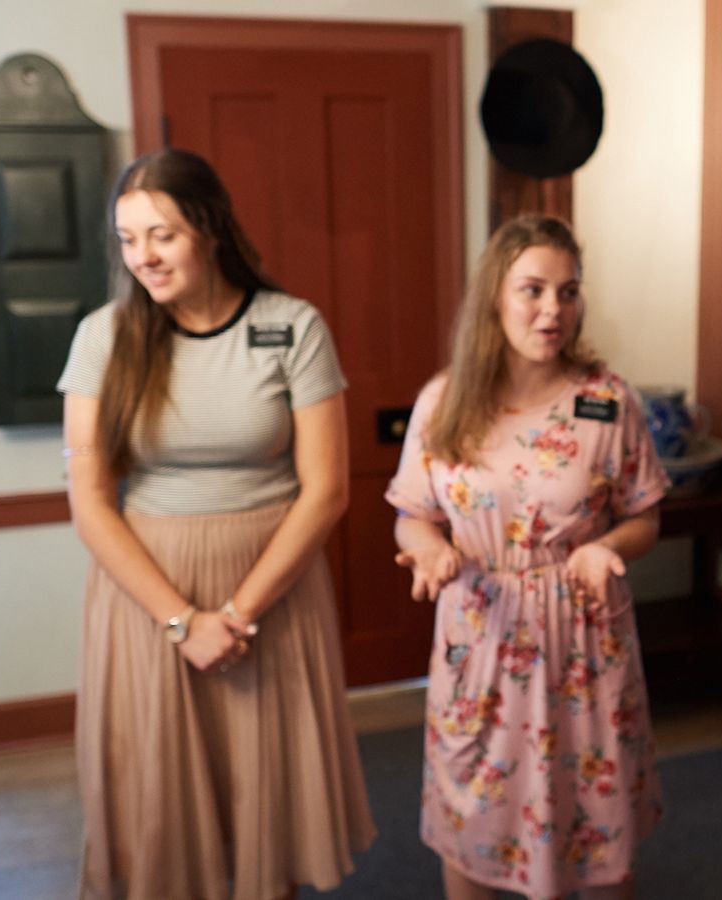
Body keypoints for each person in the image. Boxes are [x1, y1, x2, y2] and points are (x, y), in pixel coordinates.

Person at [59, 147, 377, 900]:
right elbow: (91, 503)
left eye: (161, 234)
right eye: (128, 239)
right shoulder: (104, 338)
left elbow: (326, 490)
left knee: (272, 794)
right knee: (159, 803)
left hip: (270, 593)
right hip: (147, 598)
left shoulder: (292, 327)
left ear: (208, 226)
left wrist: (234, 615)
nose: (143, 256)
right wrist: (182, 622)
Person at [385, 214, 670, 900]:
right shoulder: (444, 402)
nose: (553, 310)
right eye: (533, 289)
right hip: (479, 641)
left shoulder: (607, 400)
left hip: (584, 641)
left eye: (568, 292)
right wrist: (426, 551)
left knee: (594, 823)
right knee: (473, 815)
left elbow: (644, 515)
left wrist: (606, 548)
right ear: (494, 296)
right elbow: (413, 516)